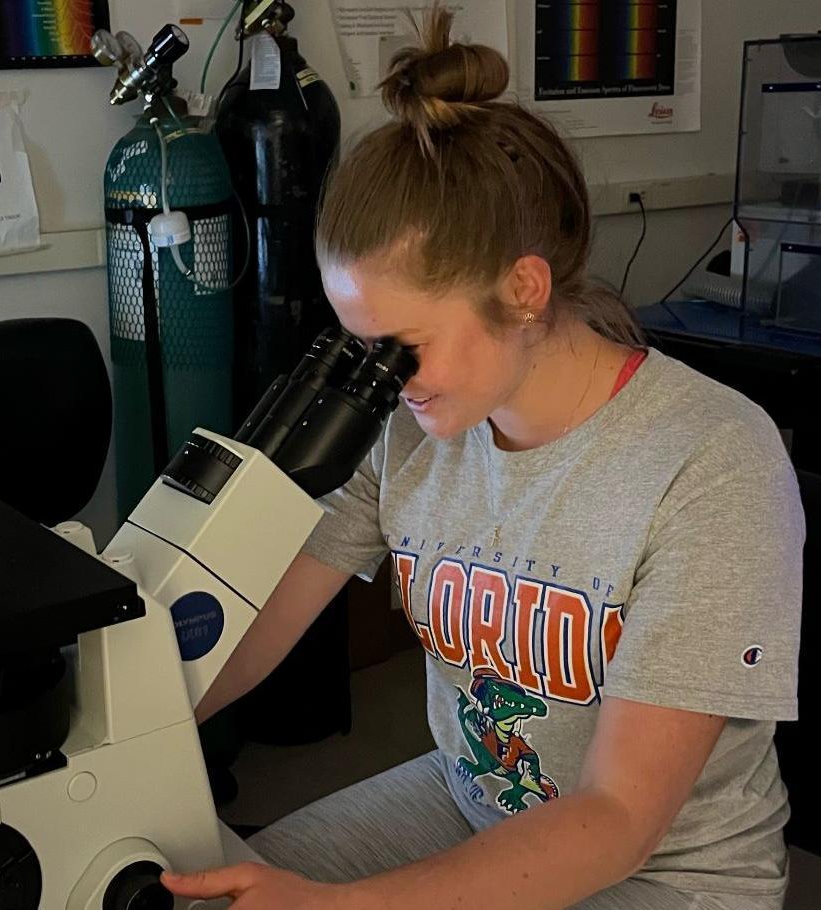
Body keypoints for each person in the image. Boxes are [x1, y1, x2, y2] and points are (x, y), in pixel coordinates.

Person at [162, 6, 804, 909]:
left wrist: (348, 907)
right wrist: (114, 726)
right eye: (361, 346)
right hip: (474, 801)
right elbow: (255, 627)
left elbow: (619, 816)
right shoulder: (408, 433)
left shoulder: (712, 462)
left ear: (524, 289)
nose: (385, 380)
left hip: (663, 869)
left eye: (403, 345)